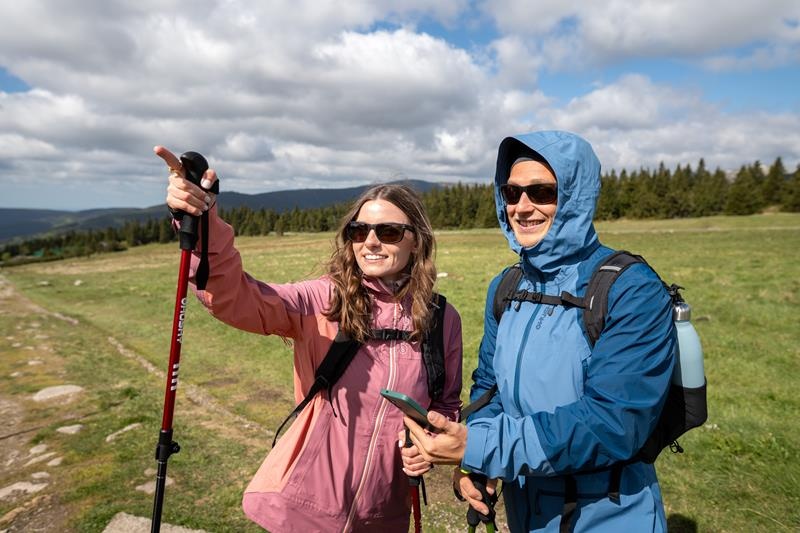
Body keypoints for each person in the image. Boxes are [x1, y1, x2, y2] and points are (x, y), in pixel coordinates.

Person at [155, 146, 463, 532]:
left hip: (385, 513)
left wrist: (427, 444)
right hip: (305, 509)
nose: (370, 242)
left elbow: (445, 403)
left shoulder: (441, 319)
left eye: (388, 232)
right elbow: (238, 298)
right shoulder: (323, 299)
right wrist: (203, 225)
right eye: (359, 231)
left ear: (416, 241)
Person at [403, 131, 676, 532]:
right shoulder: (507, 287)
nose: (522, 207)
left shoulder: (631, 288)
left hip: (608, 514)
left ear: (576, 196)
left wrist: (481, 447)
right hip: (526, 512)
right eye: (511, 192)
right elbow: (489, 389)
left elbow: (613, 422)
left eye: (542, 192)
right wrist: (476, 465)